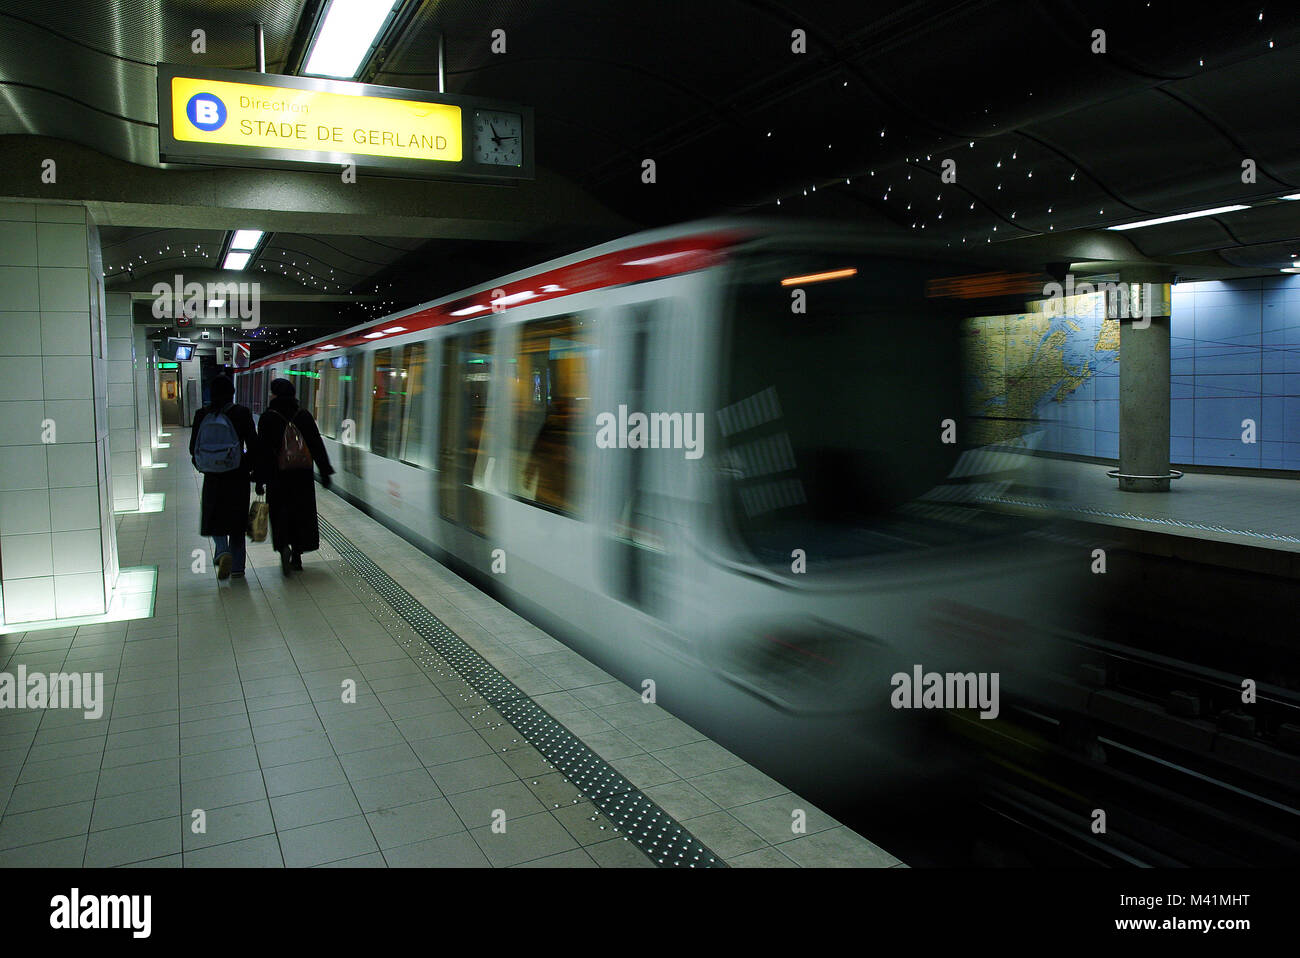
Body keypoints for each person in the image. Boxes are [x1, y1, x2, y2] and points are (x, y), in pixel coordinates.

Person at [256, 377, 334, 574]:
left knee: (279, 514)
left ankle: (283, 547)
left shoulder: (268, 417)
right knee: (301, 513)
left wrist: (259, 479)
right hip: (302, 475)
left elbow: (262, 451)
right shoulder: (304, 415)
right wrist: (325, 472)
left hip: (277, 476)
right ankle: (298, 556)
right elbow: (316, 445)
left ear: (275, 395)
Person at [189, 375, 257, 580]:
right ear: (232, 393)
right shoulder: (242, 413)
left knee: (214, 517)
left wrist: (205, 466)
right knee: (237, 522)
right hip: (238, 477)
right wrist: (248, 467)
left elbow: (193, 448)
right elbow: (254, 445)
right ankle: (237, 569)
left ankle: (221, 550)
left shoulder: (202, 414)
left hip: (213, 477)